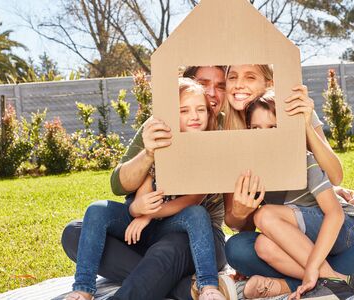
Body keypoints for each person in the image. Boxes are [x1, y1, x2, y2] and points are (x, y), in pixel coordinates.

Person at [222, 65, 354, 299]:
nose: (240, 84)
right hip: (291, 238)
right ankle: (344, 278)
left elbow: (333, 179)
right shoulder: (232, 140)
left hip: (326, 226)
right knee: (241, 248)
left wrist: (306, 127)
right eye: (233, 77)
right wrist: (241, 214)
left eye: (250, 77)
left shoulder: (296, 123)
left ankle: (293, 282)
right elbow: (240, 222)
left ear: (269, 83)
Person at [61, 68, 229, 300]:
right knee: (86, 222)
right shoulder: (159, 132)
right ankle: (83, 289)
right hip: (148, 231)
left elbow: (193, 199)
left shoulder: (211, 140)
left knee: (189, 223)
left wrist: (148, 214)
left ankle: (201, 285)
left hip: (186, 233)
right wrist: (137, 209)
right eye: (185, 110)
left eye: (201, 110)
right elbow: (138, 189)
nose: (195, 116)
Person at [239, 94, 354, 299]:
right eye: (256, 128)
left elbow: (335, 214)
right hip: (302, 237)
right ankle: (344, 281)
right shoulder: (255, 167)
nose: (265, 135)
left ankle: (318, 277)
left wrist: (311, 269)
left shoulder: (303, 157)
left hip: (339, 229)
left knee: (263, 215)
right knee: (262, 245)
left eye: (273, 127)